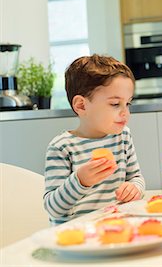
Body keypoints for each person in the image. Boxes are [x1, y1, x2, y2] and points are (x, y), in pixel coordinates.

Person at [43, 54, 145, 225]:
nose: (125, 112)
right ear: (81, 105)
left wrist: (134, 188)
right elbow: (53, 208)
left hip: (114, 230)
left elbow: (136, 177)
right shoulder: (62, 147)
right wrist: (80, 181)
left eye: (128, 103)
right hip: (74, 238)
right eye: (115, 104)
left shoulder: (123, 137)